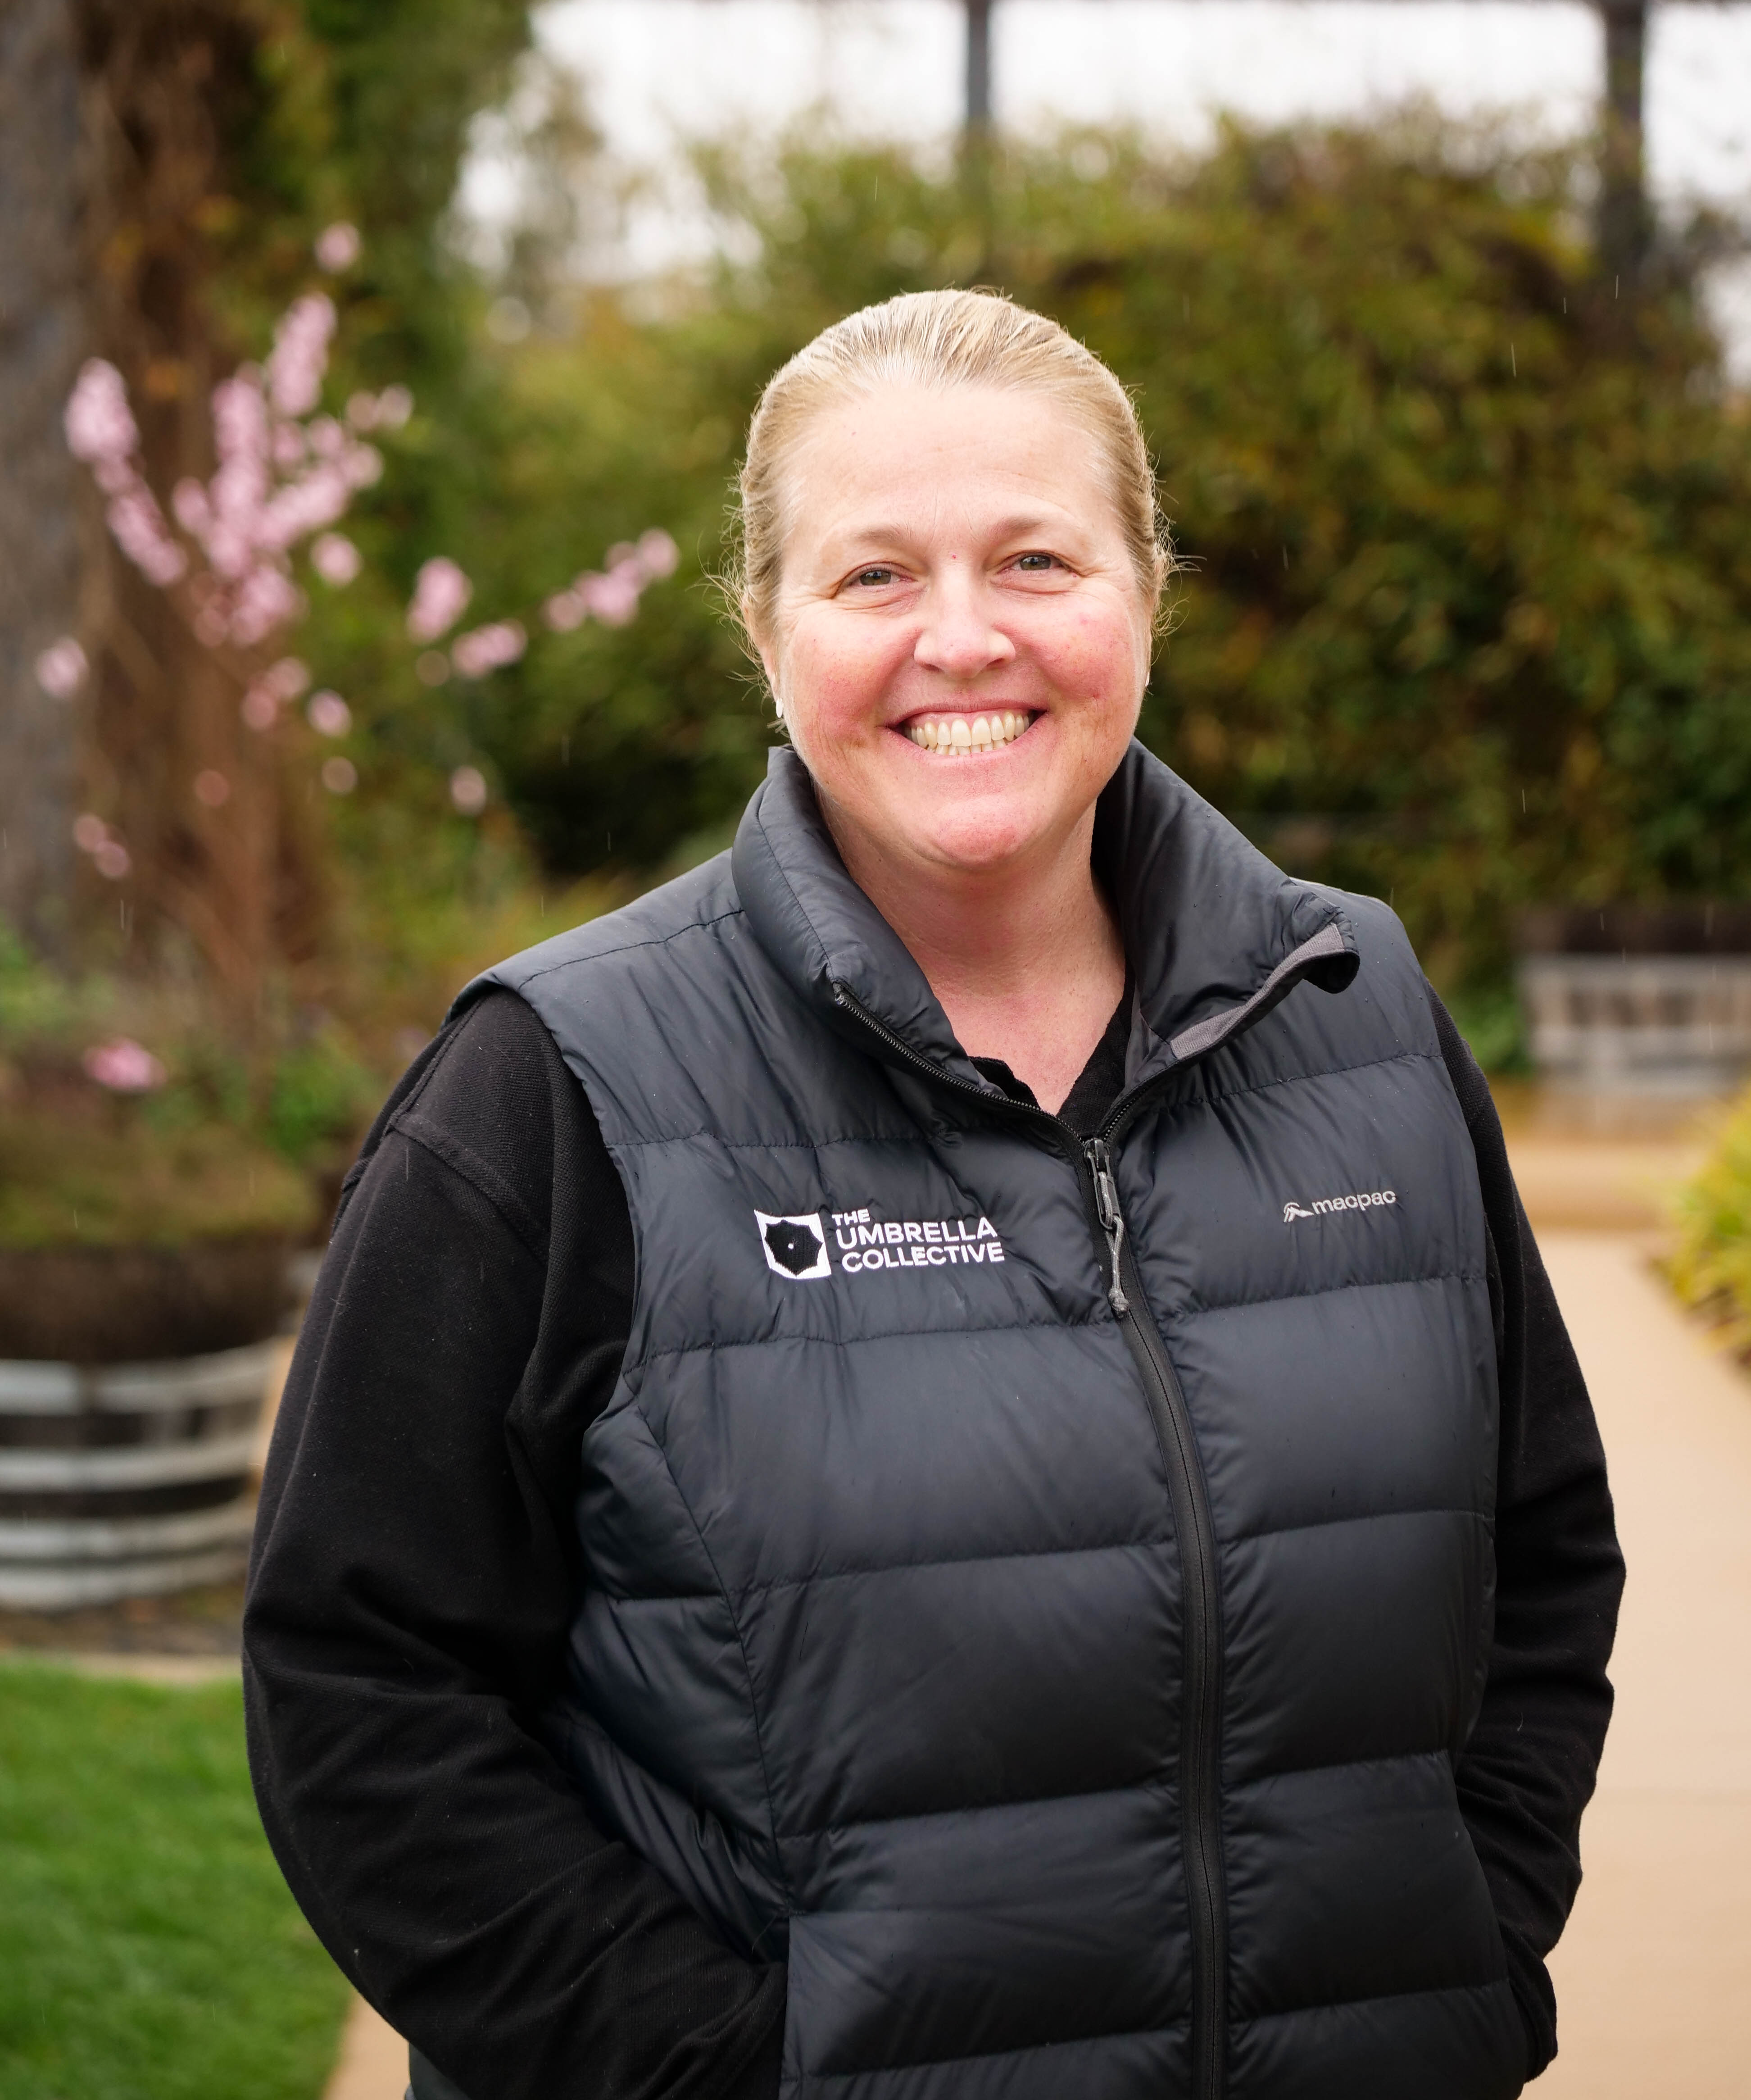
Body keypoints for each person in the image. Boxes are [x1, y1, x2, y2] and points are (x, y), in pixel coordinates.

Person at [245, 290, 1624, 2100]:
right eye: (876, 575)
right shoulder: (553, 1089)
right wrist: (724, 2074)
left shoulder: (1357, 1014)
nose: (962, 639)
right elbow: (362, 1688)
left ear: (1146, 594)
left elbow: (1539, 1555)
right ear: (769, 630)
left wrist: (1471, 1948)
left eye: (1036, 559)